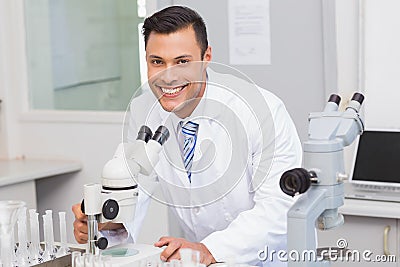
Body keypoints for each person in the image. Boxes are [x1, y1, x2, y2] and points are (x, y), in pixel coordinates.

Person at [72, 5, 302, 267]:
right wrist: (105, 221)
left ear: (207, 58)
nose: (168, 77)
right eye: (157, 62)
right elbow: (134, 188)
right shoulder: (144, 109)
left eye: (182, 62)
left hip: (271, 260)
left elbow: (280, 210)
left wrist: (208, 249)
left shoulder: (263, 111)